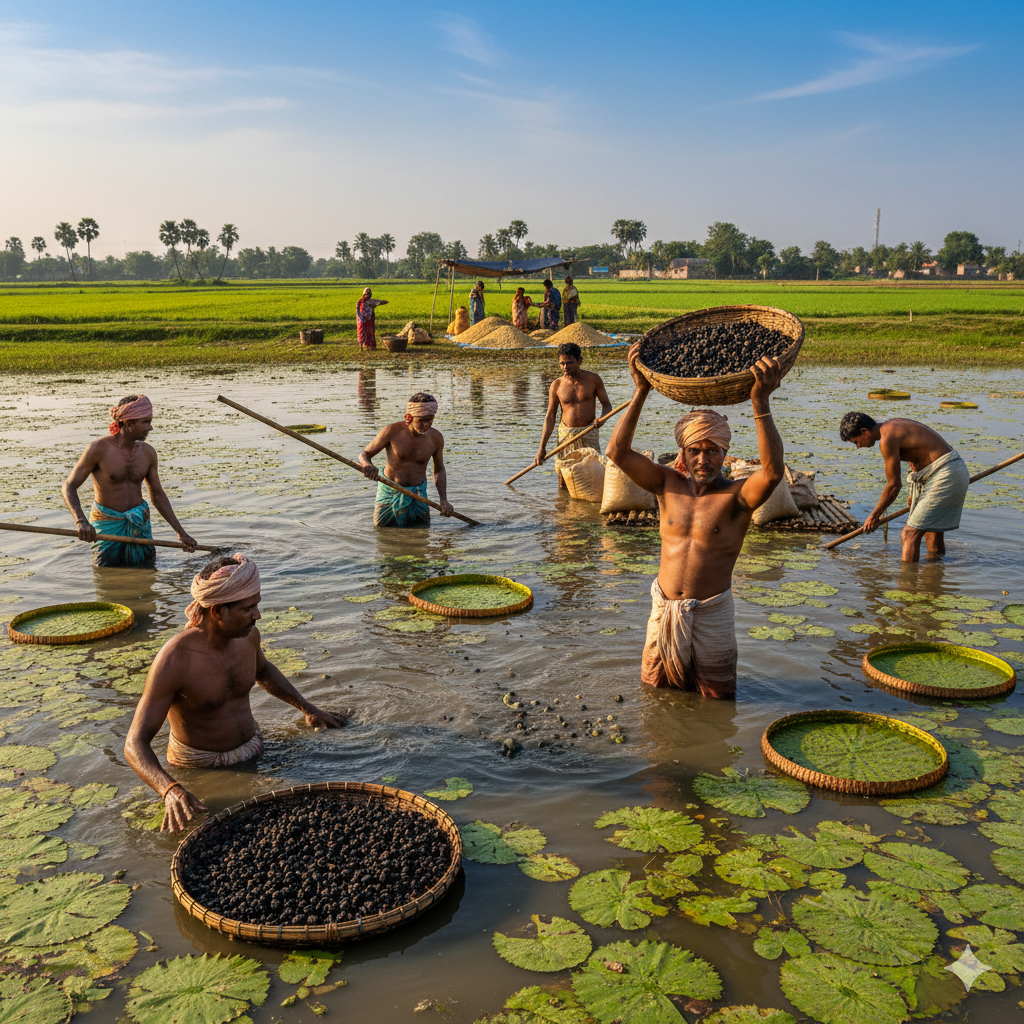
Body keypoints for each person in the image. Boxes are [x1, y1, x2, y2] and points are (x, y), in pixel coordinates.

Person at [606, 343, 785, 698]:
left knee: (717, 699)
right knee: (654, 692)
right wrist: (640, 391)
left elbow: (773, 473)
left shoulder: (737, 498)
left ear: (724, 454)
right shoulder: (665, 484)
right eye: (695, 451)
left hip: (712, 615)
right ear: (683, 455)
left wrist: (760, 402)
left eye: (712, 451)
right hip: (663, 610)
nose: (704, 459)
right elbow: (617, 453)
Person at [124, 554, 346, 832]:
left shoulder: (247, 636)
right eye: (248, 608)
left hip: (254, 747)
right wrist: (170, 789)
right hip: (201, 768)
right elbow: (135, 744)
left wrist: (308, 708)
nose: (258, 615)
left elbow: (263, 671)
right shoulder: (175, 659)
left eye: (257, 605)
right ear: (218, 612)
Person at [61, 395, 197, 567]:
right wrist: (80, 521)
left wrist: (180, 532)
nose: (151, 428)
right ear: (129, 422)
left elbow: (157, 494)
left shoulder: (148, 453)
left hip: (139, 523)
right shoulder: (98, 449)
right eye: (145, 422)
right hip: (107, 524)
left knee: (147, 570)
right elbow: (69, 486)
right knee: (107, 574)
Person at [839, 411, 969, 561]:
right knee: (931, 530)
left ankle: (907, 582)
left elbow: (894, 485)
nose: (858, 447)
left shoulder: (887, 439)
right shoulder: (892, 426)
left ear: (864, 431)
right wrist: (915, 492)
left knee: (909, 534)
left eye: (856, 442)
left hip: (946, 472)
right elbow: (916, 458)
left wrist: (874, 515)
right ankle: (934, 573)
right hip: (946, 471)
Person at [359, 392, 455, 527]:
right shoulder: (392, 431)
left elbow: (439, 469)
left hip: (418, 493)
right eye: (421, 420)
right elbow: (364, 455)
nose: (426, 424)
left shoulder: (436, 438)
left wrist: (443, 500)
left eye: (430, 419)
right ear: (408, 417)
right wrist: (367, 465)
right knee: (382, 534)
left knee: (422, 533)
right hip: (389, 491)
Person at [533, 343, 612, 464]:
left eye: (569, 362)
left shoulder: (593, 380)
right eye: (562, 363)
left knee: (593, 470)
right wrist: (541, 448)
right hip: (566, 435)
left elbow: (607, 406)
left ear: (579, 361)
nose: (565, 367)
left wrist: (602, 419)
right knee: (564, 472)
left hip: (589, 432)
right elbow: (550, 417)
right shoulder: (556, 385)